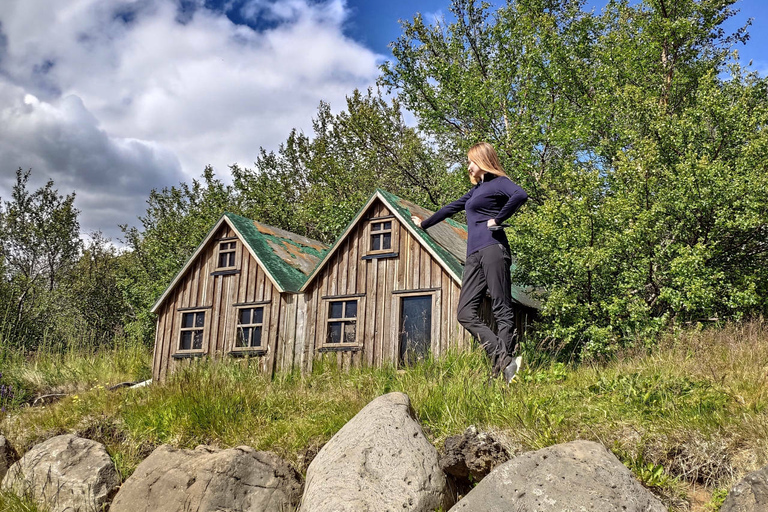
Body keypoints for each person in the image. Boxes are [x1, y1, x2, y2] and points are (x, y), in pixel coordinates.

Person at [412, 142, 528, 383]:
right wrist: (424, 224)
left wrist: (498, 218)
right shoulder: (476, 191)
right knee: (464, 313)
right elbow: (450, 208)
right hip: (473, 255)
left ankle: (500, 375)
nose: (468, 166)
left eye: (471, 161)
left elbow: (520, 194)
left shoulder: (499, 182)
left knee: (501, 309)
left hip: (493, 249)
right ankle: (505, 359)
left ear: (483, 160)